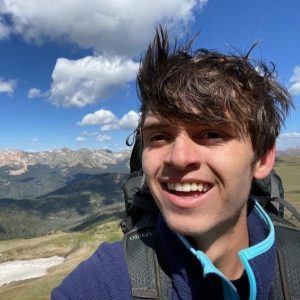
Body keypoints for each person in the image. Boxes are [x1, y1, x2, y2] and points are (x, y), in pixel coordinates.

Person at [51, 27, 295, 299]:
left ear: (262, 158)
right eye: (159, 136)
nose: (178, 158)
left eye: (212, 133)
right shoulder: (102, 282)